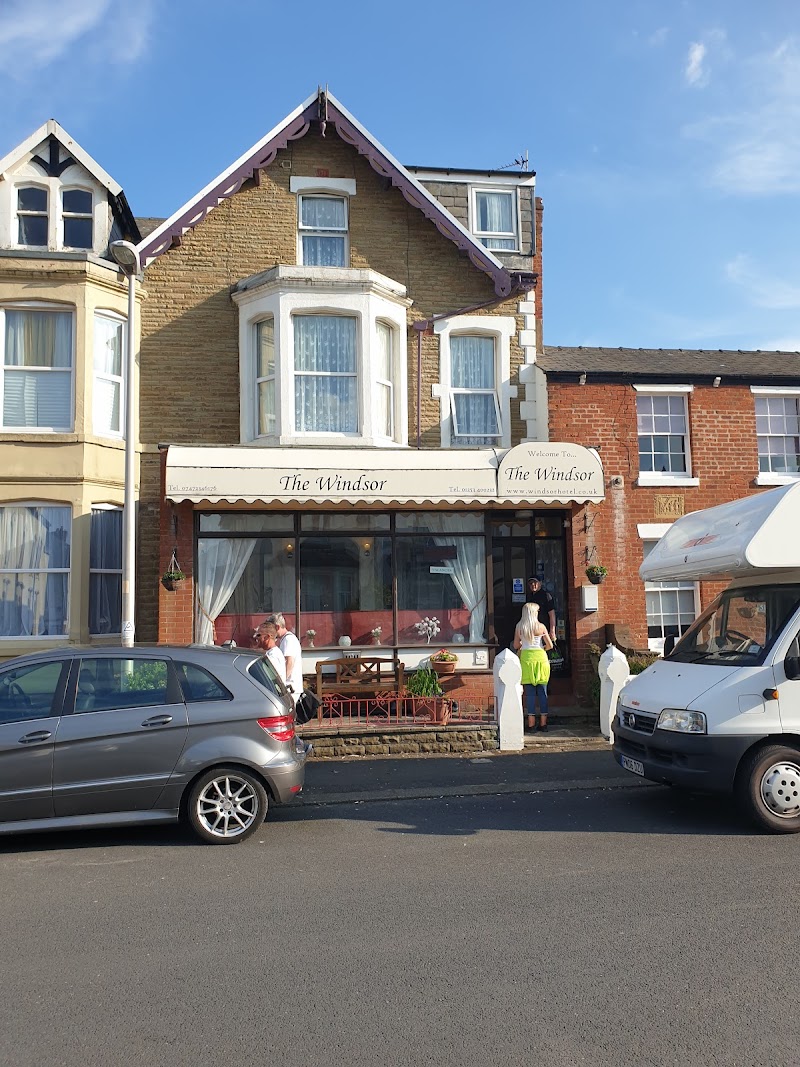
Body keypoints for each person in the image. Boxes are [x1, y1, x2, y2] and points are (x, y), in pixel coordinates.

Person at [514, 602, 553, 732]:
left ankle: (531, 724)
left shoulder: (519, 627)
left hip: (526, 659)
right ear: (533, 613)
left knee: (529, 694)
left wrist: (523, 644)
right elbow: (550, 645)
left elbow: (515, 646)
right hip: (541, 659)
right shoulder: (541, 627)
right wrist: (542, 649)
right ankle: (543, 724)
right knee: (542, 692)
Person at [266, 612, 303, 703]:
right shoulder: (286, 639)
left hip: (290, 685)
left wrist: (281, 683)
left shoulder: (288, 640)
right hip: (291, 686)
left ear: (277, 627)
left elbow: (289, 662)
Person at [527, 575, 557, 643]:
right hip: (531, 630)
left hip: (543, 630)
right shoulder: (529, 597)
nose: (533, 585)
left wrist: (552, 631)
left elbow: (552, 615)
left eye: (535, 582)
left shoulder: (546, 596)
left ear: (540, 583)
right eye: (531, 583)